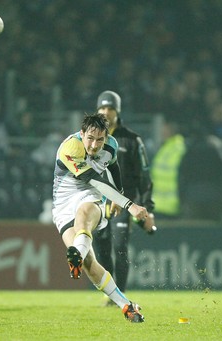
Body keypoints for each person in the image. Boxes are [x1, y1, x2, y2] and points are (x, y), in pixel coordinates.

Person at [52, 112, 150, 323]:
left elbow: (113, 168)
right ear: (82, 134)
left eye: (99, 139)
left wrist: (118, 193)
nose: (95, 145)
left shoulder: (111, 145)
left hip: (90, 197)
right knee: (87, 261)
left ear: (105, 137)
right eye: (90, 138)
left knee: (85, 214)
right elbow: (94, 179)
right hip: (63, 204)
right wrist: (129, 205)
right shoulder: (70, 148)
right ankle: (126, 304)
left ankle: (76, 252)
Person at [92, 91, 155, 302]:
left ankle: (119, 294)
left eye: (110, 109)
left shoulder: (132, 140)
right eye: (102, 109)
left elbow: (144, 176)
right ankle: (111, 292)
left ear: (117, 112)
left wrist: (148, 208)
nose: (106, 113)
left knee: (119, 247)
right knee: (101, 250)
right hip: (98, 203)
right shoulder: (91, 140)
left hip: (124, 203)